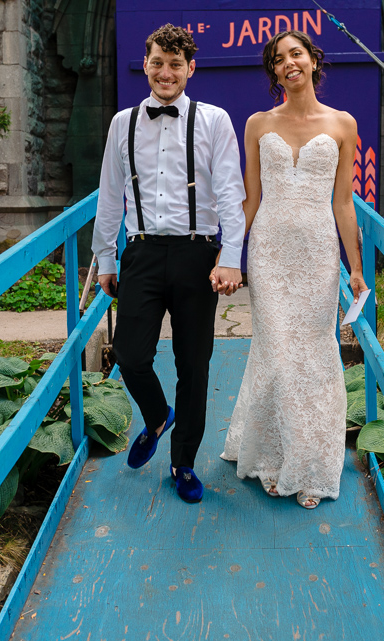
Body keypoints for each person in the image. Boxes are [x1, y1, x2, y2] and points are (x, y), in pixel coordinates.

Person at [91, 24, 245, 504]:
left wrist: (232, 257)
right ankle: (158, 416)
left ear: (190, 69)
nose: (166, 72)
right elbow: (110, 195)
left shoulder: (214, 120)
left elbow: (231, 194)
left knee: (193, 364)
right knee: (130, 354)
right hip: (139, 252)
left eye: (176, 64)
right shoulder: (123, 123)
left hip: (198, 255)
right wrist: (104, 258)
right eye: (158, 62)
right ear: (147, 63)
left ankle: (183, 463)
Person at [219, 30, 368, 510]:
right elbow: (251, 198)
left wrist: (356, 269)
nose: (289, 63)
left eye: (296, 54)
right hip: (270, 251)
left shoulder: (343, 124)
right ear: (274, 72)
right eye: (279, 59)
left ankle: (312, 466)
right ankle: (275, 456)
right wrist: (229, 257)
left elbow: (344, 203)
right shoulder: (257, 124)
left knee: (317, 358)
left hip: (319, 252)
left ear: (313, 60)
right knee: (278, 354)